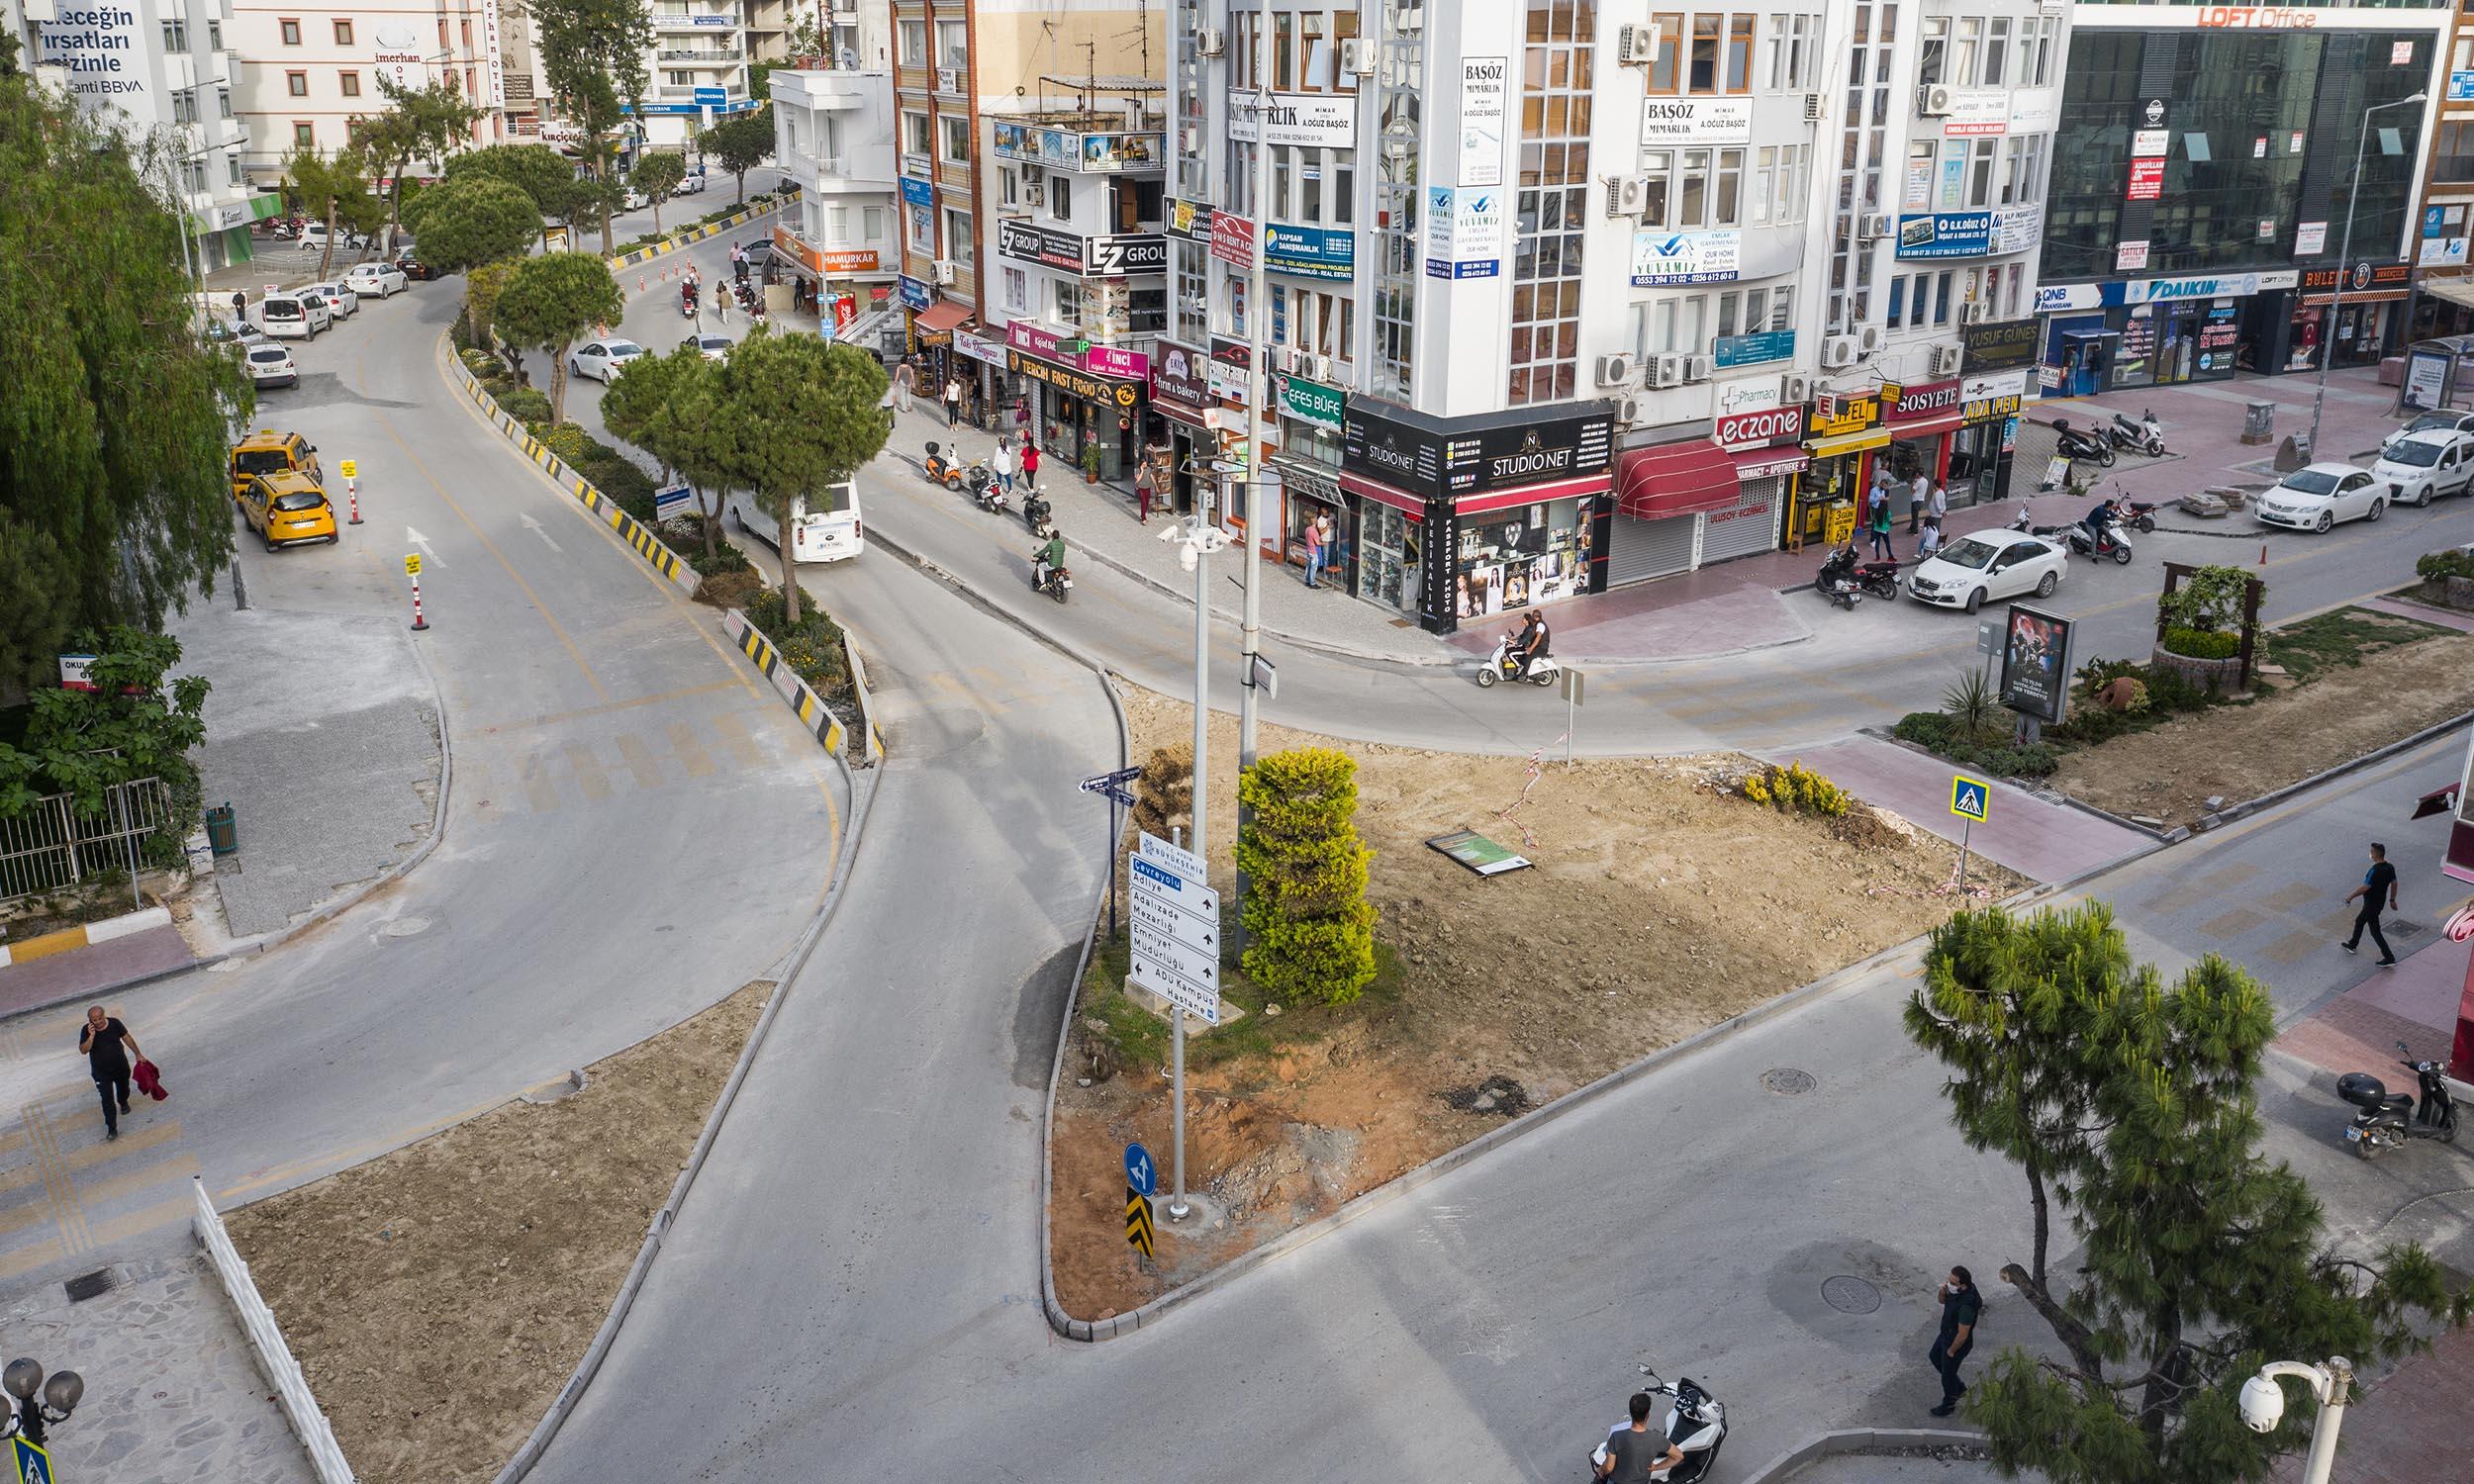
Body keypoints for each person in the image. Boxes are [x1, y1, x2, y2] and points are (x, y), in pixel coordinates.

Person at [78, 1005, 143, 1142]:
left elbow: (127, 1038)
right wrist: (91, 1036)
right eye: (94, 1020)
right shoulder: (86, 1030)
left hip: (120, 1067)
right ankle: (112, 1129)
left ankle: (123, 1102)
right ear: (90, 1020)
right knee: (107, 1100)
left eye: (99, 1018)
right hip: (101, 1073)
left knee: (123, 1088)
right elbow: (83, 1050)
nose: (97, 1022)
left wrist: (138, 1054)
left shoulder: (115, 1023)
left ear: (104, 1016)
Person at [1929, 1265, 1980, 1417]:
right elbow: (1942, 1301)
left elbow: (1963, 1335)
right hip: (1946, 1335)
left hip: (1956, 1343)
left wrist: (1951, 1350)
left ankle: (1949, 1404)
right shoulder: (1956, 1291)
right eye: (1949, 1280)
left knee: (1947, 1376)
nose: (1949, 1284)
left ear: (1963, 1285)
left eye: (1953, 1283)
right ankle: (1959, 1388)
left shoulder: (1966, 1307)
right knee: (1934, 1357)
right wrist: (1943, 1291)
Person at [1598, 1392, 1685, 1481]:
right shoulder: (1657, 1438)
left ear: (1631, 1414)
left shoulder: (1616, 1437)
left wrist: (1601, 1470)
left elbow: (1608, 1468)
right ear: (1647, 1416)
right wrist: (1656, 1467)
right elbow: (1678, 1456)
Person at [2342, 842, 2401, 966]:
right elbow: (2394, 883)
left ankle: (2389, 957)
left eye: (2371, 852)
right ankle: (2352, 944)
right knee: (2361, 922)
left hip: (2371, 904)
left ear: (2376, 854)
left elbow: (2365, 887)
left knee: (2374, 931)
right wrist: (2392, 900)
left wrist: (2350, 897)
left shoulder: (2374, 870)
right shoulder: (2390, 867)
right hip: (2379, 903)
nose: (2370, 854)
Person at [1508, 608, 1550, 679]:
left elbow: (1538, 638)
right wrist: (1513, 639)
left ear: (1536, 617)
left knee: (1528, 655)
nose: (1531, 617)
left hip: (1542, 648)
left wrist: (1531, 648)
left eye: (1533, 616)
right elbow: (1523, 636)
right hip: (1538, 646)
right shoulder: (1536, 624)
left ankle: (1524, 674)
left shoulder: (1540, 625)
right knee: (1523, 655)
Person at [1868, 482, 1895, 562]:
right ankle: (1890, 556)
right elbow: (1890, 521)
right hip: (1884, 529)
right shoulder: (1887, 513)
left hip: (1877, 528)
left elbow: (1874, 520)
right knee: (1887, 543)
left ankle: (1877, 557)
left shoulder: (1877, 512)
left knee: (1877, 543)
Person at [1302, 510, 1326, 588]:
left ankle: (1307, 581)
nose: (1317, 519)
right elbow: (1317, 543)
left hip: (1309, 550)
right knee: (1313, 568)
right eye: (1316, 517)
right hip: (1314, 552)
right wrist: (1325, 543)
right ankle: (1313, 583)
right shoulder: (1314, 531)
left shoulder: (1307, 529)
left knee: (1308, 567)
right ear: (1314, 520)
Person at [1908, 468, 1931, 534]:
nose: (1915, 474)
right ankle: (1911, 528)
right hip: (1921, 500)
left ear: (1918, 473)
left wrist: (1913, 483)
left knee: (1914, 516)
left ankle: (1915, 531)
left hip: (1916, 500)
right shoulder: (1925, 480)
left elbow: (1912, 490)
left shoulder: (1918, 482)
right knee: (1915, 515)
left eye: (1916, 473)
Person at [1134, 455, 1154, 523]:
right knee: (1144, 503)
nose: (1145, 465)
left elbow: (1152, 477)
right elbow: (1137, 480)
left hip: (1147, 488)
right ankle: (1143, 519)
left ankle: (1142, 515)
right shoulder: (1138, 470)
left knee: (1147, 503)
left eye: (1146, 463)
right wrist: (1142, 471)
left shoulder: (1149, 468)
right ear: (1141, 464)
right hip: (1141, 488)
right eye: (1143, 464)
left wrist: (1156, 486)